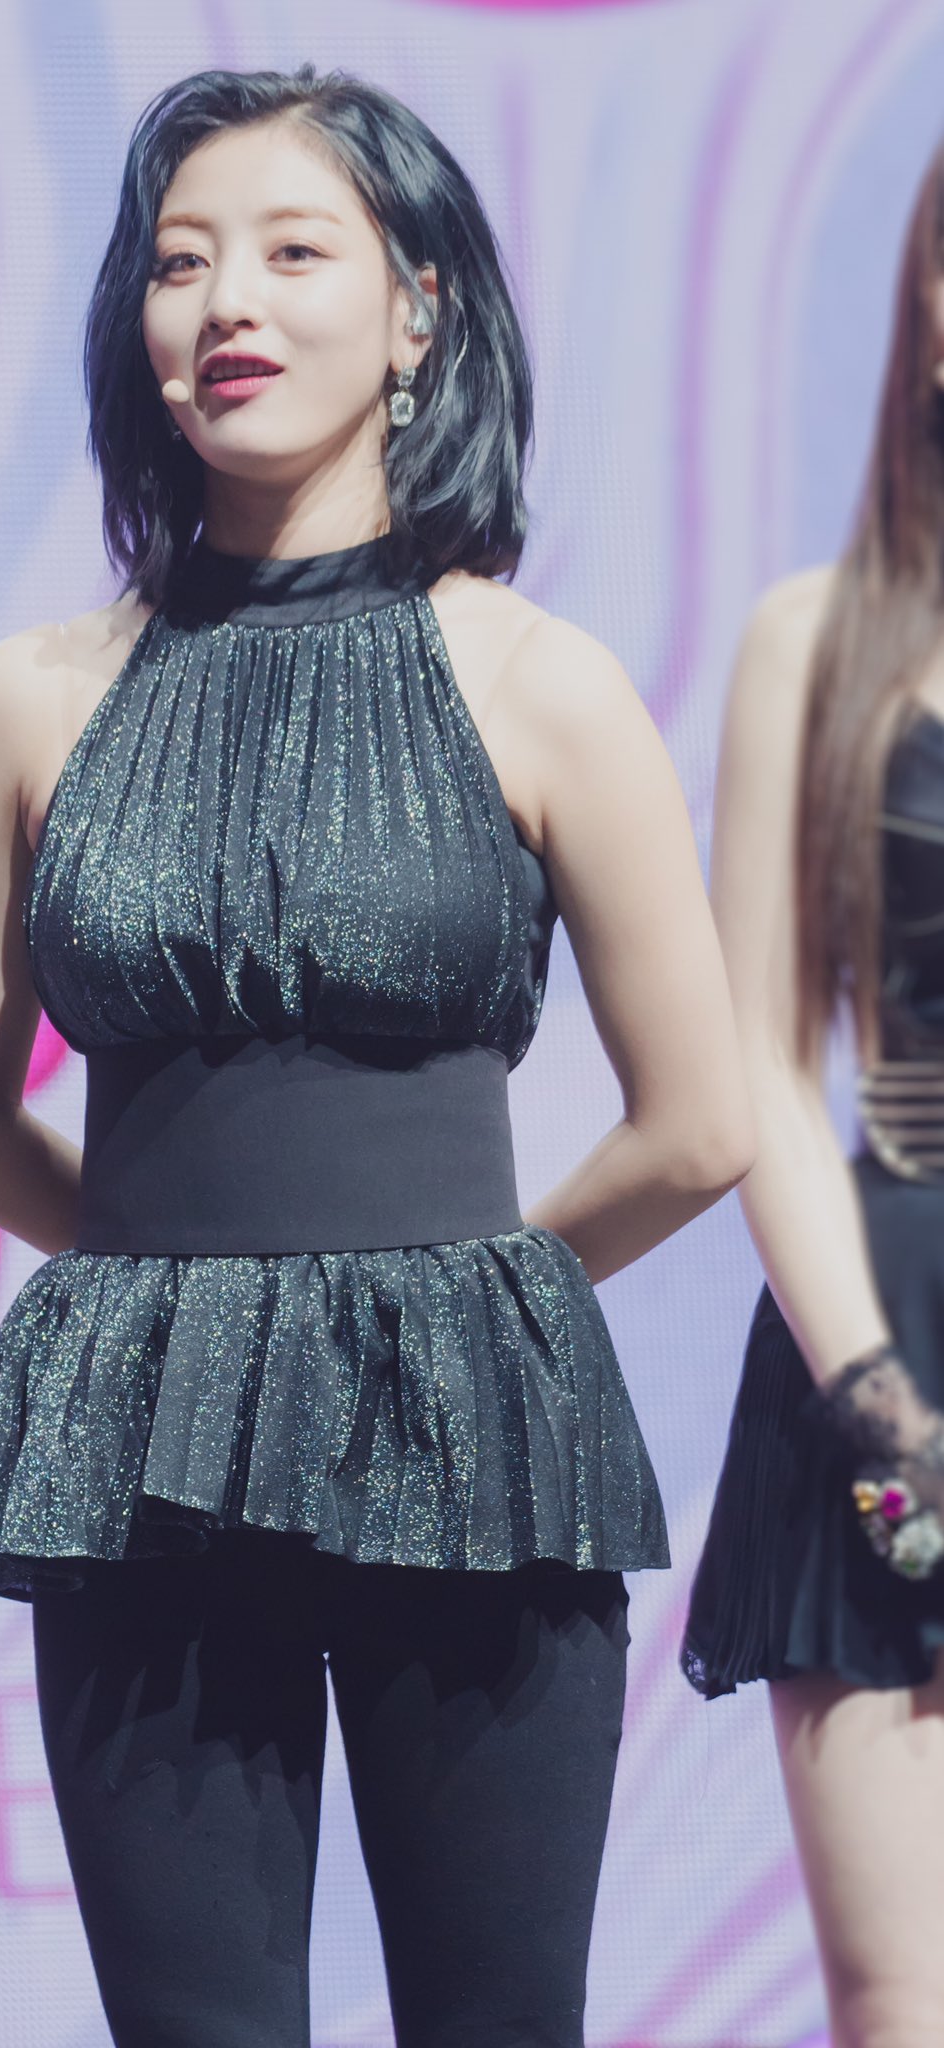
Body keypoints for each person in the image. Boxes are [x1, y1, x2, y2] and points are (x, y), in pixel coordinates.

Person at [0, 63, 753, 2048]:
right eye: (179, 262)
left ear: (416, 310)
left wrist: (454, 1300)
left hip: (471, 1437)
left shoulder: (541, 684)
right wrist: (176, 1299)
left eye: (294, 252)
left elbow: (701, 1121)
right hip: (143, 1445)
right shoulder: (31, 699)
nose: (228, 303)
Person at [682, 138, 944, 2048]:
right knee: (900, 1994)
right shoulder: (815, 638)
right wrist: (876, 1402)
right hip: (889, 1321)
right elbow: (757, 1061)